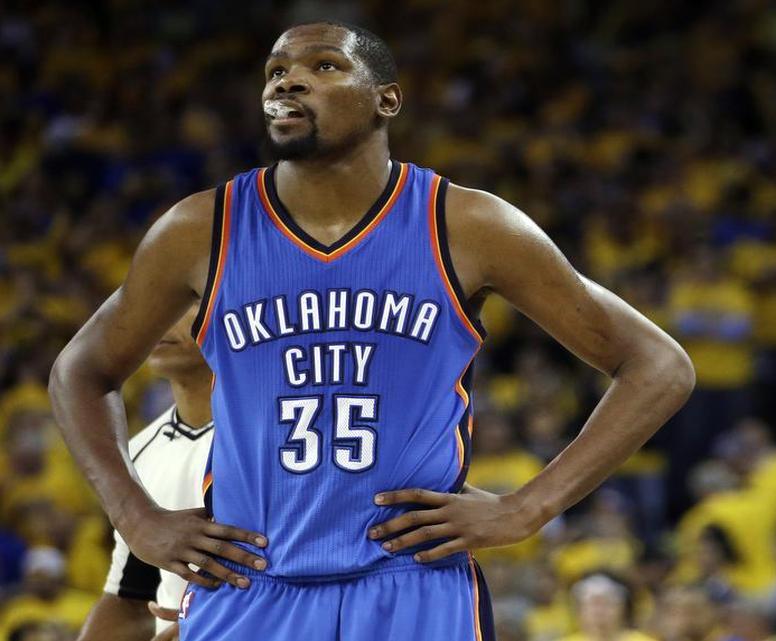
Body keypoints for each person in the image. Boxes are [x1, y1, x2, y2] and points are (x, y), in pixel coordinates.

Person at [49, 20, 694, 641]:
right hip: (248, 582)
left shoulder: (466, 224)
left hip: (412, 581)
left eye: (324, 65)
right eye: (276, 71)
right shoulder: (200, 229)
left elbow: (658, 365)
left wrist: (529, 507)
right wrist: (135, 517)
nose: (287, 81)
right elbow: (80, 371)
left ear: (387, 100)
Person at [76, 307, 214, 641]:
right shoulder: (139, 451)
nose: (160, 315)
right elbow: (131, 597)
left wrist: (220, 619)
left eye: (187, 302)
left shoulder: (280, 431)